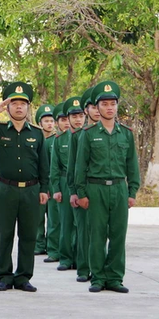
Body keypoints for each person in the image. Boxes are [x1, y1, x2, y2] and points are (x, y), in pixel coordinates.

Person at [0, 82, 49, 292]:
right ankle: (4, 275)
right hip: (6, 189)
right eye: (14, 103)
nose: (19, 107)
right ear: (8, 106)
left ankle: (23, 277)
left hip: (31, 190)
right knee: (5, 234)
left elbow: (44, 164)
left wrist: (44, 190)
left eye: (23, 103)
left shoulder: (38, 134)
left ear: (28, 107)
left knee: (28, 235)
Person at [75, 81, 140, 293]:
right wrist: (81, 193)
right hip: (96, 189)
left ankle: (114, 278)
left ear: (117, 106)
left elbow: (132, 165)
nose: (109, 107)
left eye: (113, 103)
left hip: (120, 189)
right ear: (97, 108)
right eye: (104, 104)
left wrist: (132, 192)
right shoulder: (89, 133)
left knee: (119, 235)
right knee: (97, 235)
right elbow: (80, 166)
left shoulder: (126, 133)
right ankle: (98, 278)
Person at [67, 86, 100, 282]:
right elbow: (72, 166)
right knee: (83, 230)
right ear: (87, 110)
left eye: (99, 106)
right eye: (92, 107)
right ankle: (83, 269)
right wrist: (73, 191)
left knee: (100, 230)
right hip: (82, 188)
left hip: (102, 189)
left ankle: (99, 269)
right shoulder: (78, 135)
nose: (96, 110)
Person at [51, 96, 84, 272]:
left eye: (80, 116)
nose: (77, 120)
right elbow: (54, 166)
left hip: (84, 185)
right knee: (66, 222)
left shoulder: (88, 135)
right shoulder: (60, 139)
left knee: (82, 225)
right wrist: (56, 189)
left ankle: (80, 259)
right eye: (73, 116)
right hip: (64, 183)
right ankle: (65, 258)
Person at [43, 102, 69, 263]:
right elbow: (46, 166)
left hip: (72, 182)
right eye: (62, 119)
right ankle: (53, 250)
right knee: (54, 219)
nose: (66, 122)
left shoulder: (82, 136)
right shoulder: (51, 141)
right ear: (57, 122)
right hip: (55, 182)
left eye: (68, 119)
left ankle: (71, 251)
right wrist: (47, 187)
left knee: (71, 222)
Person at [34, 104, 58, 258]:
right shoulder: (36, 139)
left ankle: (52, 246)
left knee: (53, 218)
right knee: (37, 217)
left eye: (52, 121)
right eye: (46, 121)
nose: (50, 123)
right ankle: (38, 245)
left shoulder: (57, 139)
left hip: (53, 181)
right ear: (40, 123)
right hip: (38, 182)